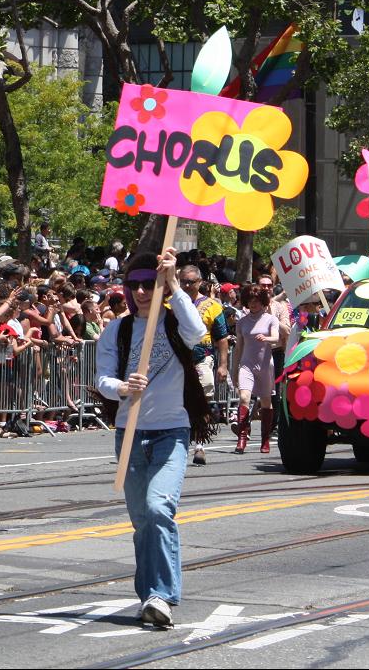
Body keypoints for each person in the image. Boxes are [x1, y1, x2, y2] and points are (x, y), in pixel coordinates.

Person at [94, 249, 213, 628]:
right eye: (135, 285)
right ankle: (149, 594)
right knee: (143, 520)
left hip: (172, 431)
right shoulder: (119, 329)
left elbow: (197, 332)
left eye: (150, 283)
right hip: (130, 433)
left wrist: (175, 283)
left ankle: (161, 594)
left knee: (160, 508)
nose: (143, 291)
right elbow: (102, 380)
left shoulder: (175, 321)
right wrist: (123, 387)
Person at [178, 263, 228, 466]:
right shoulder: (170, 304)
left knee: (203, 401)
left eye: (192, 282)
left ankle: (200, 444)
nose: (188, 285)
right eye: (184, 282)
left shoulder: (213, 306)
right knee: (178, 403)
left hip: (203, 358)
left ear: (200, 282)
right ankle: (178, 443)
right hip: (177, 361)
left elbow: (222, 337)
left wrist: (223, 365)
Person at [232, 284, 279, 454]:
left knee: (266, 401)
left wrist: (266, 338)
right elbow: (238, 347)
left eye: (257, 301)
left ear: (263, 302)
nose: (253, 304)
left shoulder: (271, 319)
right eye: (250, 301)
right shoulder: (242, 322)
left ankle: (265, 439)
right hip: (246, 364)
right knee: (244, 398)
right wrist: (234, 369)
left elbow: (276, 338)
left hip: (266, 365)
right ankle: (242, 438)